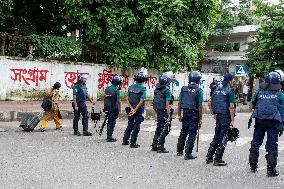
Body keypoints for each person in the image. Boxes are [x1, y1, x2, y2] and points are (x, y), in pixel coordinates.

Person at [249, 71, 284, 177]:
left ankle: (253, 167)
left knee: (255, 143)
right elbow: (282, 112)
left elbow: (251, 105)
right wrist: (281, 127)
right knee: (271, 146)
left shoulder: (259, 91)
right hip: (273, 123)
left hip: (259, 121)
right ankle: (271, 171)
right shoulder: (280, 94)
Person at [206, 73, 236, 166]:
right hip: (226, 117)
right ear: (230, 80)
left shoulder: (216, 90)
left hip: (218, 116)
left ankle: (209, 157)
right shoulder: (230, 91)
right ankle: (217, 159)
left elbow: (210, 102)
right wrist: (232, 120)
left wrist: (212, 112)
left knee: (216, 136)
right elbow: (231, 107)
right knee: (223, 138)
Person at [176, 71, 203, 159]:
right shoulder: (198, 91)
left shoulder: (184, 89)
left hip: (185, 113)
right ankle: (188, 154)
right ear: (198, 80)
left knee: (183, 132)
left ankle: (179, 151)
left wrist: (179, 114)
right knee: (192, 134)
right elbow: (200, 106)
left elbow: (179, 103)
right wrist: (200, 119)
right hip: (194, 114)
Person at [122, 69, 148, 148]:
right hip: (138, 109)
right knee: (136, 125)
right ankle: (133, 143)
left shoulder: (130, 87)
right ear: (143, 80)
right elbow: (141, 100)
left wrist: (131, 108)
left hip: (130, 108)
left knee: (130, 124)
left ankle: (125, 140)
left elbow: (126, 98)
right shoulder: (143, 89)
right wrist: (135, 109)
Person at [151, 73, 172, 153]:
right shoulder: (167, 90)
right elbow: (167, 104)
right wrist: (169, 115)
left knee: (159, 128)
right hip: (163, 111)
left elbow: (154, 102)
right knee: (164, 129)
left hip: (158, 110)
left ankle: (154, 145)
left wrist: (156, 113)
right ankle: (160, 147)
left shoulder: (156, 89)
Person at [104, 75, 122, 142]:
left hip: (107, 107)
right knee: (112, 122)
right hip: (114, 108)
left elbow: (105, 98)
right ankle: (109, 137)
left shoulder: (107, 88)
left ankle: (108, 136)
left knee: (109, 121)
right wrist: (120, 110)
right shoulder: (117, 90)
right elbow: (118, 101)